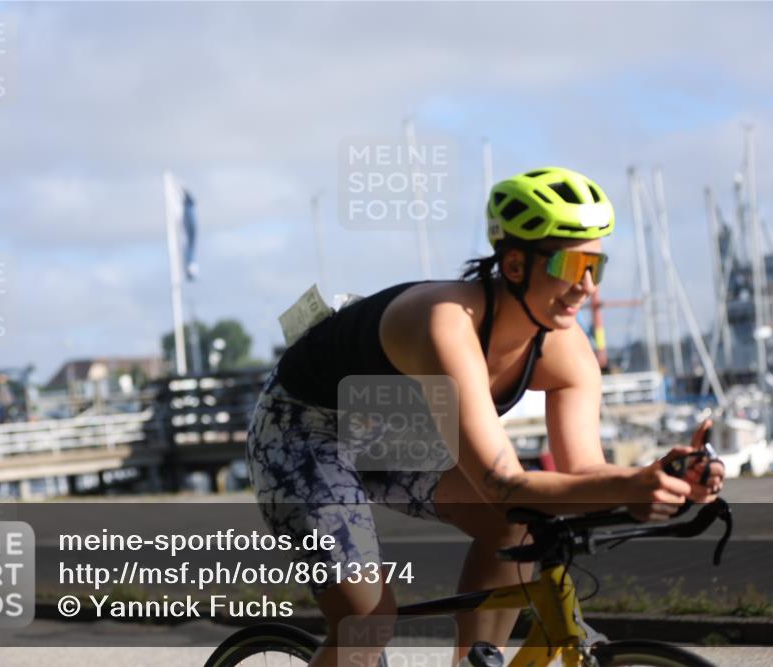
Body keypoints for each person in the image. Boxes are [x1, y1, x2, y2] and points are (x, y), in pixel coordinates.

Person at [246, 166, 725, 667]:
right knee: (367, 620)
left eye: (596, 267)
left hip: (398, 434)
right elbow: (501, 482)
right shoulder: (446, 324)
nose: (586, 286)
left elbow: (582, 470)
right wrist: (631, 486)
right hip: (307, 430)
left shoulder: (567, 353)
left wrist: (662, 477)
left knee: (518, 526)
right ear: (514, 264)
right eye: (570, 264)